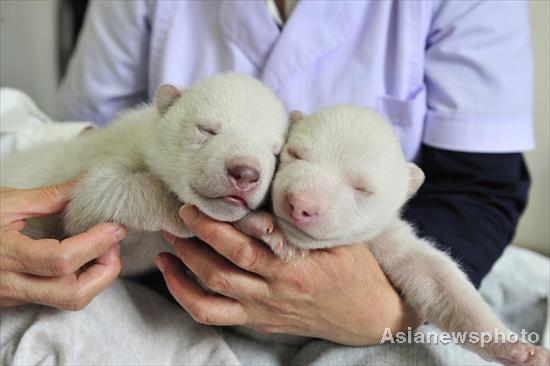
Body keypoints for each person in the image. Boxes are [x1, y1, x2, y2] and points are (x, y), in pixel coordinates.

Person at [0, 0, 535, 364]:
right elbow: (93, 143)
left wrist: (382, 313)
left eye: (278, 155)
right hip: (152, 286)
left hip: (364, 300)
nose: (299, 195)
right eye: (293, 156)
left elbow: (480, 189)